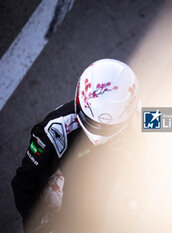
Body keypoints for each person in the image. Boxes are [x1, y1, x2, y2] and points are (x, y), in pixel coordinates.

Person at [12, 59, 144, 232]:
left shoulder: (137, 114)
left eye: (108, 127)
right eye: (91, 121)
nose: (98, 130)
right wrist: (42, 225)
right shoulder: (55, 131)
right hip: (59, 211)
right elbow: (24, 184)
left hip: (97, 200)